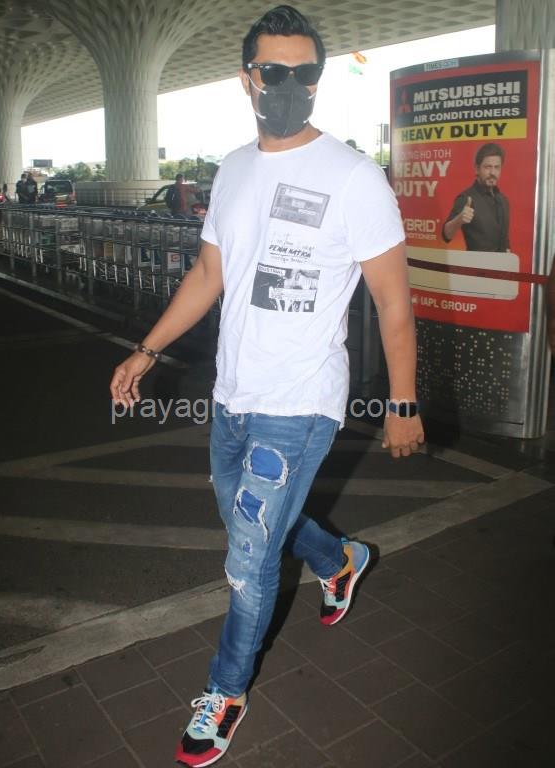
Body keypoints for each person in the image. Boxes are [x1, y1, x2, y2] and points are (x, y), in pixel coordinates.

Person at [110, 6, 424, 766]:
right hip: (232, 397)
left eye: (304, 74)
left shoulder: (354, 177)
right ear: (246, 78)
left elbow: (393, 303)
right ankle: (338, 559)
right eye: (274, 72)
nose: (289, 86)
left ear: (318, 80)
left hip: (301, 404)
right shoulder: (234, 169)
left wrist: (403, 403)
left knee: (248, 561)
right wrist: (148, 349)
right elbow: (209, 274)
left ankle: (226, 692)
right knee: (255, 526)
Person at [442, 142, 510, 252]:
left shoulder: (503, 200)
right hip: (476, 262)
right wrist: (459, 219)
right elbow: (446, 235)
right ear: (477, 169)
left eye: (497, 167)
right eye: (488, 167)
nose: (493, 172)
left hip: (502, 263)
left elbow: (504, 238)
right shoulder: (466, 198)